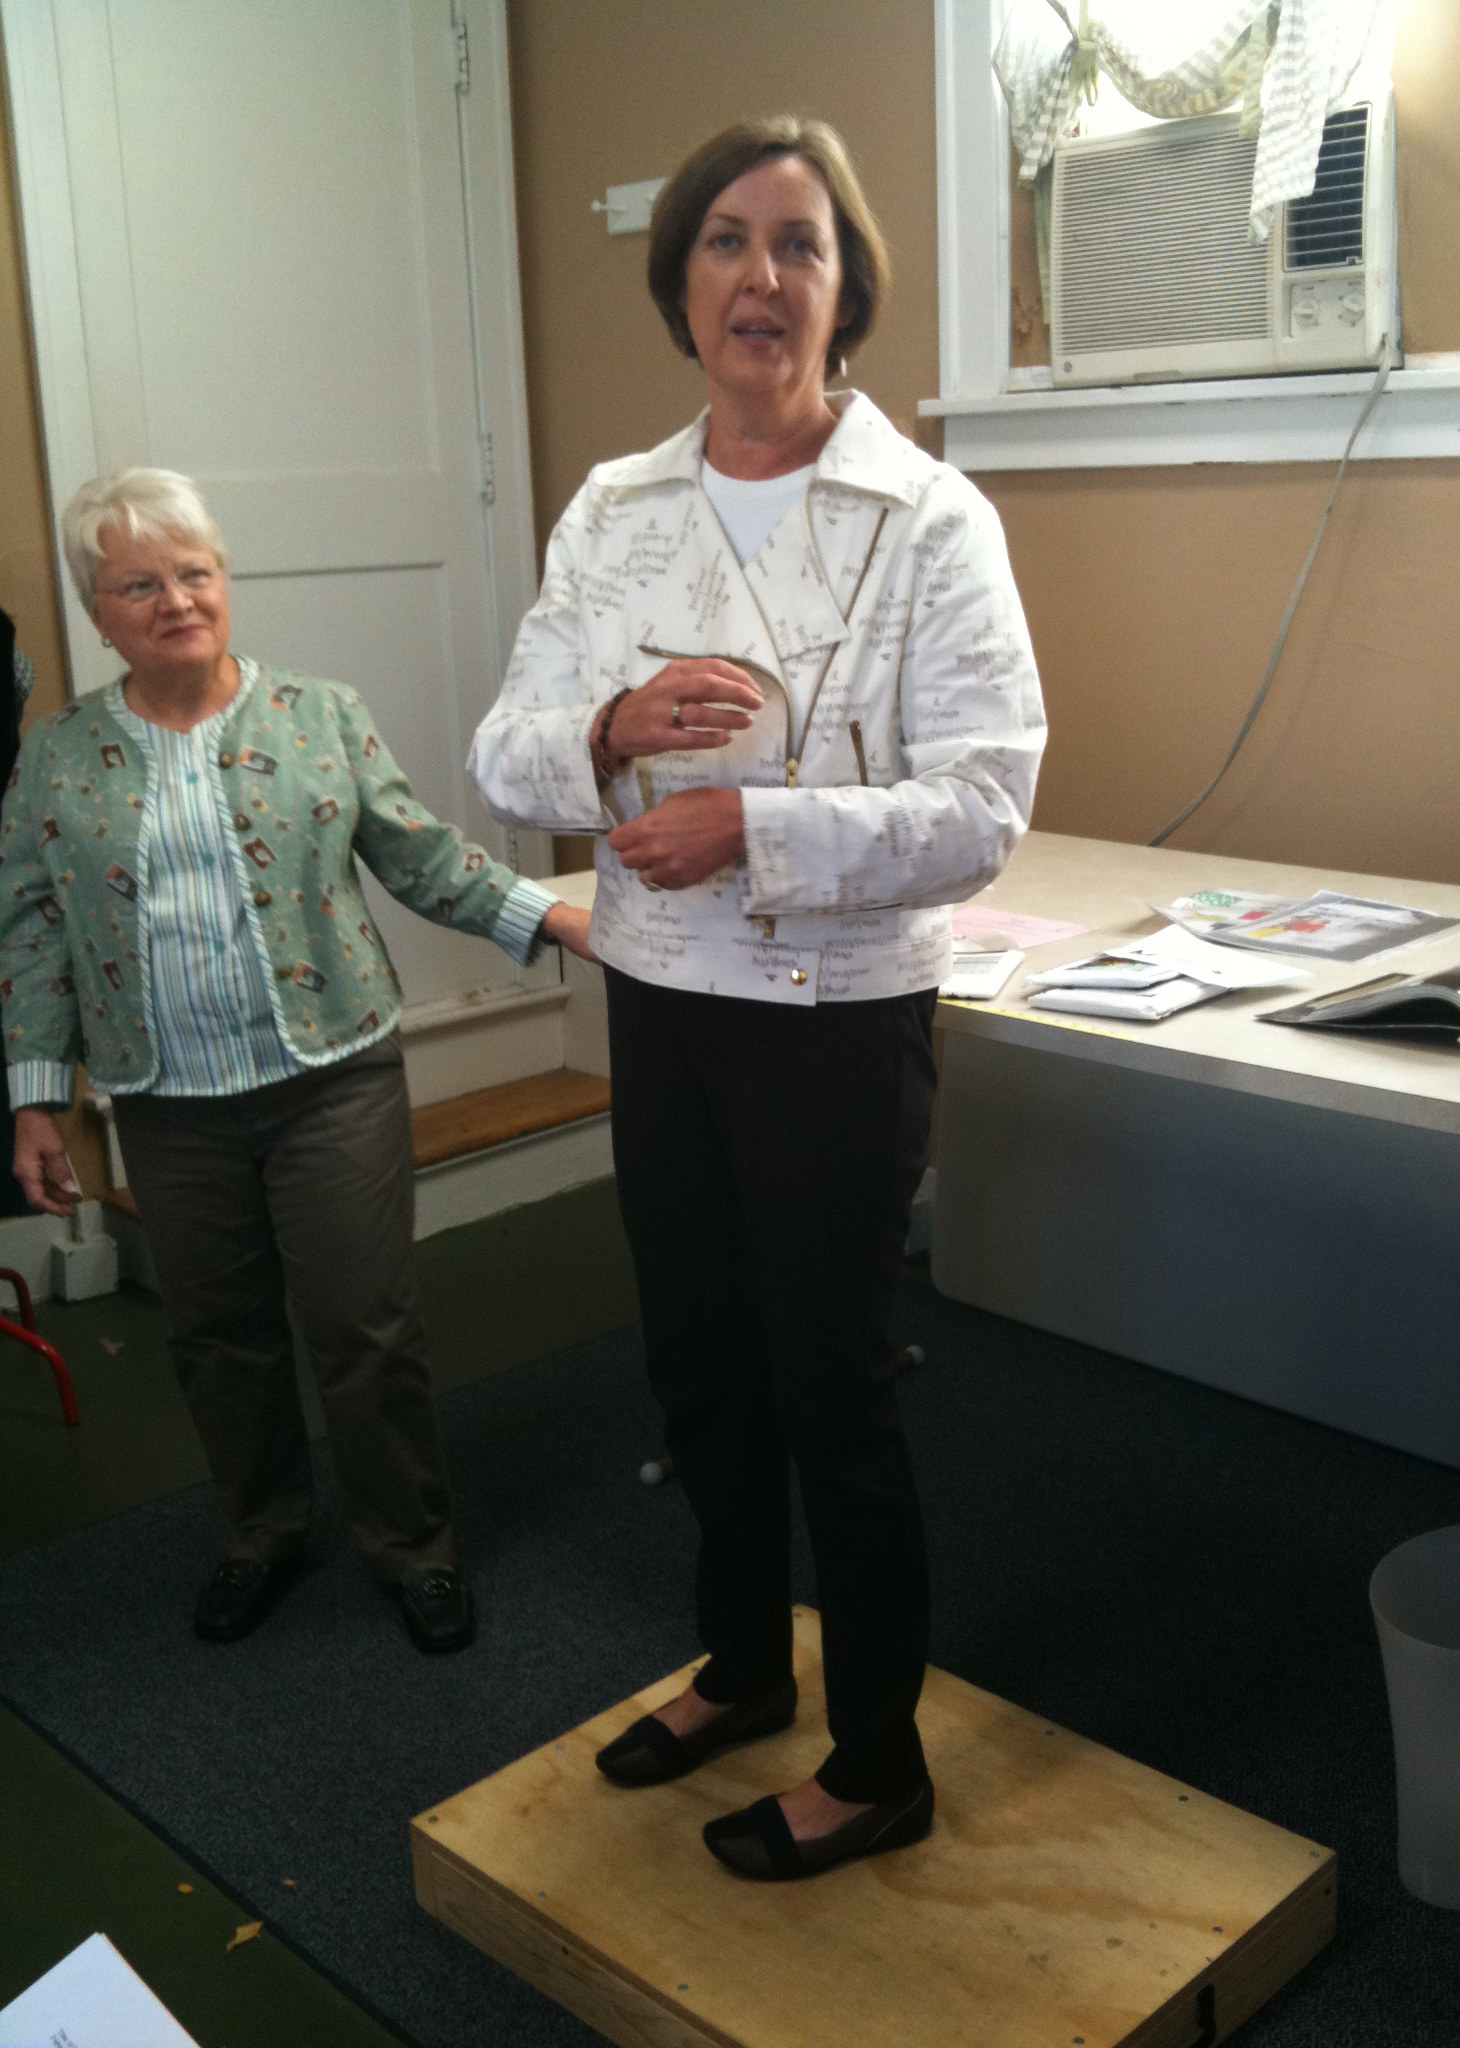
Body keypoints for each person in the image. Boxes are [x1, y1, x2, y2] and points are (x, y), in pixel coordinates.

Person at [470, 115, 1045, 1878]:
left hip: (839, 1022)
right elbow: (501, 751)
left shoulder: (931, 516)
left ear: (844, 288)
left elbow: (986, 804)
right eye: (725, 240)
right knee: (699, 1366)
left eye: (800, 243)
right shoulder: (613, 511)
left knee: (830, 1388)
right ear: (683, 283)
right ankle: (737, 1666)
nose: (761, 276)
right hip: (663, 999)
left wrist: (760, 828)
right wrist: (606, 730)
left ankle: (876, 1758)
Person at [0, 469, 594, 1652]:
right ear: (98, 609)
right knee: (217, 1335)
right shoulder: (56, 756)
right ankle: (262, 1530)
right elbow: (33, 929)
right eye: (139, 584)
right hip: (165, 1097)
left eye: (195, 573)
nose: (176, 600)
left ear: (225, 579)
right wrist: (36, 1100)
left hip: (332, 1077)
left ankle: (411, 1544)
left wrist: (553, 915)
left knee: (363, 1325)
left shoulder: (319, 713)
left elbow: (420, 854)